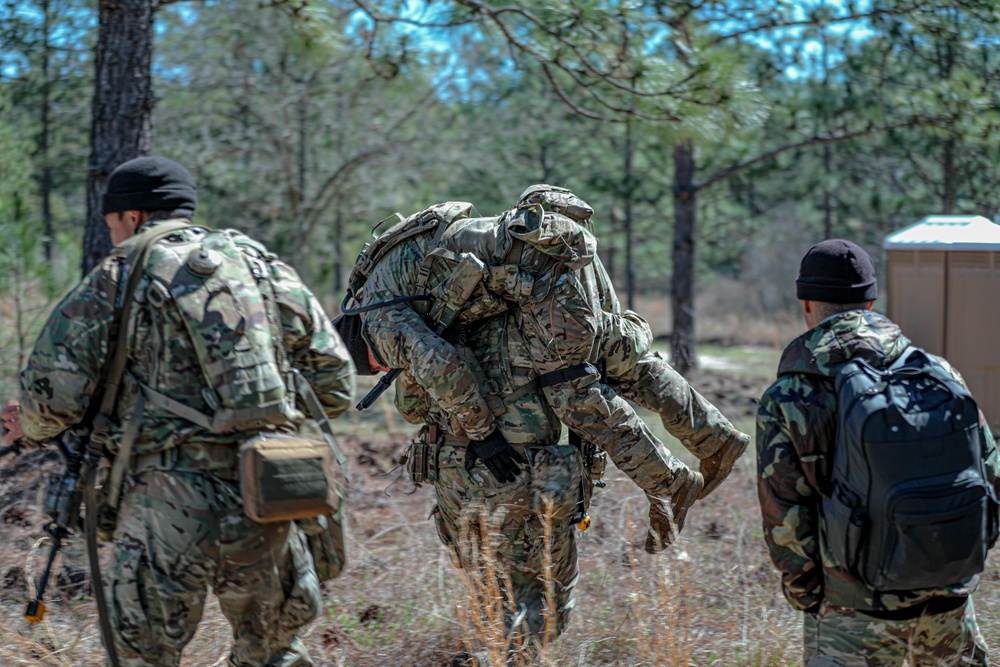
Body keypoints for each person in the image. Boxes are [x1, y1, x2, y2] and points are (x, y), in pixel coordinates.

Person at [340, 190, 748, 665]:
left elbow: (439, 362)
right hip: (564, 254)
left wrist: (483, 433)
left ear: (362, 344)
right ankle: (714, 437)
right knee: (619, 352)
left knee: (572, 388)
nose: (384, 366)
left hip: (545, 270)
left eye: (376, 365)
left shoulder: (379, 318)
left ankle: (668, 483)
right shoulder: (392, 276)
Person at [15, 156, 356, 667]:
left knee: (144, 657)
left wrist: (31, 426)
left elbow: (51, 399)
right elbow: (336, 385)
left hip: (165, 506)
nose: (112, 237)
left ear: (132, 217)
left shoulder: (120, 271)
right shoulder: (259, 264)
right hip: (272, 489)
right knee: (275, 654)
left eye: (112, 225)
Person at [756, 239, 998, 667]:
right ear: (870, 303)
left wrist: (812, 598)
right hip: (948, 598)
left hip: (851, 612)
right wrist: (957, 566)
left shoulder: (790, 396)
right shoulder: (938, 372)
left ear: (806, 303)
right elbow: (990, 474)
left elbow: (786, 521)